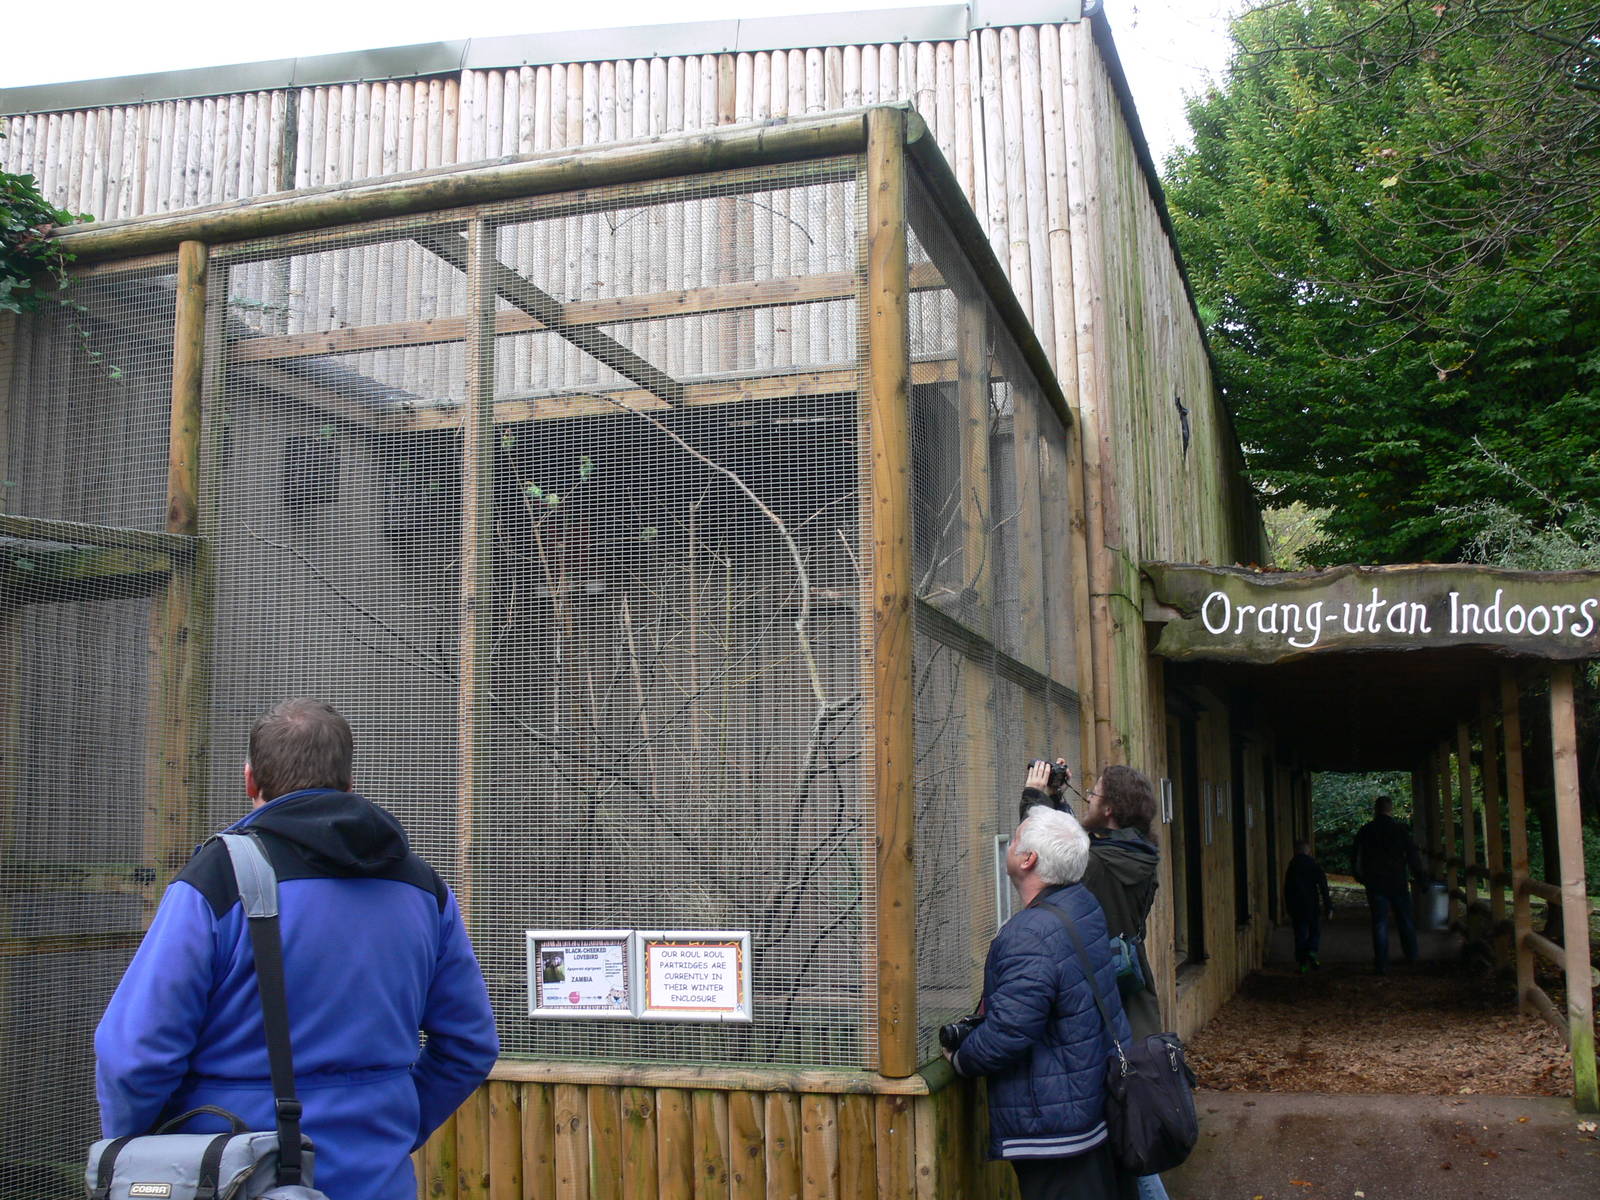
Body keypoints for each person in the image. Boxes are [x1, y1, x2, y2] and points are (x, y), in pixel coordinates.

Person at [95, 698, 499, 1200]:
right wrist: (393, 1121)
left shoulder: (219, 881)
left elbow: (134, 1056)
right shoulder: (424, 890)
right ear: (349, 784)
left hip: (228, 1177)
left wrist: (143, 1151)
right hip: (377, 1177)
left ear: (250, 782)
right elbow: (470, 1043)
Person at [946, 800, 1135, 1200]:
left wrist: (963, 1058)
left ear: (1028, 858)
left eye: (1013, 840)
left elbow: (1009, 1031)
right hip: (1093, 1101)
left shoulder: (1030, 934)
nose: (1008, 845)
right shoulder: (1082, 906)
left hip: (1057, 1127)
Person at [1027, 760, 1167, 1200]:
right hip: (1129, 996)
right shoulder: (1134, 852)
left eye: (1095, 794)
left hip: (1101, 1001)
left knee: (1124, 1127)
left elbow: (1058, 859)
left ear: (1110, 810)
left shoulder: (1100, 863)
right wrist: (1057, 798)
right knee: (1130, 1121)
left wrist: (1035, 803)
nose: (1088, 798)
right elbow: (1082, 850)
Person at [1351, 793, 1425, 975]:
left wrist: (1359, 876)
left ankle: (1382, 963)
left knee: (1379, 923)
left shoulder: (1366, 830)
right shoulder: (1400, 830)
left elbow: (1355, 856)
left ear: (1375, 809)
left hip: (1375, 882)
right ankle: (1412, 955)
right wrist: (1422, 878)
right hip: (1397, 881)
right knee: (1406, 920)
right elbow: (1412, 856)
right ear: (1391, 809)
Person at [1283, 840, 1334, 973]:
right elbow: (1323, 887)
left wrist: (1288, 906)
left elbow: (1287, 888)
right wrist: (1329, 907)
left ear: (1295, 851)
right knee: (1315, 931)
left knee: (1300, 934)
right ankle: (1312, 951)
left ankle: (1302, 963)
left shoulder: (1292, 866)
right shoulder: (1314, 865)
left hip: (1296, 906)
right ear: (1308, 851)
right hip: (1312, 904)